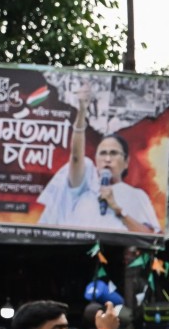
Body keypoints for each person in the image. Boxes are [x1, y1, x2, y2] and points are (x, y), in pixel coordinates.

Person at [37, 85, 160, 233]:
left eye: (114, 153)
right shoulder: (83, 190)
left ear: (126, 162)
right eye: (102, 153)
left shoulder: (137, 196)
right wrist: (82, 110)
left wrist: (117, 209)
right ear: (96, 159)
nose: (107, 159)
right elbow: (76, 156)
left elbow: (148, 236)